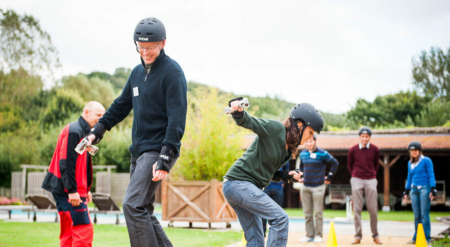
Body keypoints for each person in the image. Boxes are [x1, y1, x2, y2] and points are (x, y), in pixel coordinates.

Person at [86, 17, 187, 247]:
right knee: (144, 210)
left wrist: (165, 155)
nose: (145, 52)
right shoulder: (136, 74)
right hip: (139, 152)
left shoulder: (173, 73)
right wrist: (96, 131)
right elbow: (120, 105)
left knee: (132, 205)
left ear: (163, 43)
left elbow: (177, 118)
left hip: (158, 149)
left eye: (150, 47)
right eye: (140, 47)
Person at [223, 101, 324, 247]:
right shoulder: (276, 129)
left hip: (239, 186)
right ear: (300, 125)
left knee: (256, 241)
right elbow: (250, 122)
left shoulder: (288, 150)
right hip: (238, 184)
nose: (310, 138)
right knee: (280, 219)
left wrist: (285, 176)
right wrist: (238, 113)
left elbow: (269, 173)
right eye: (310, 132)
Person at [41, 101, 105, 247]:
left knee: (68, 234)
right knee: (83, 231)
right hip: (68, 191)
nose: (101, 119)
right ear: (86, 112)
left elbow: (79, 164)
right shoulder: (75, 130)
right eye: (98, 115)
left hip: (72, 190)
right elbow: (65, 163)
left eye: (103, 116)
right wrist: (72, 191)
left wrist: (85, 190)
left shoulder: (85, 134)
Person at [298, 133, 339, 243]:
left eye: (311, 141)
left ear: (315, 141)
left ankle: (318, 235)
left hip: (318, 186)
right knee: (307, 213)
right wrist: (301, 176)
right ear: (305, 142)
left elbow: (335, 163)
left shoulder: (323, 153)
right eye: (307, 141)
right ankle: (309, 235)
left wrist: (329, 176)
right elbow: (301, 167)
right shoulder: (302, 154)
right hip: (305, 187)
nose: (309, 143)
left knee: (318, 212)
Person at [347, 126, 382, 245]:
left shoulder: (375, 149)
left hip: (371, 179)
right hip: (356, 178)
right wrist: (355, 175)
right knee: (357, 208)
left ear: (369, 137)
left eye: (367, 136)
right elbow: (349, 165)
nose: (364, 138)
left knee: (373, 209)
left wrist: (371, 174)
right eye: (362, 136)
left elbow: (376, 164)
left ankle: (375, 235)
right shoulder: (353, 149)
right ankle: (357, 236)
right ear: (359, 137)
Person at [403, 141, 437, 244]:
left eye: (416, 150)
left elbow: (431, 174)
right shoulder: (410, 163)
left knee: (424, 214)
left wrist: (433, 189)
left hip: (424, 189)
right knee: (416, 215)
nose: (414, 152)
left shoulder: (426, 160)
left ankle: (427, 238)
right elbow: (409, 177)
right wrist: (406, 191)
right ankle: (416, 237)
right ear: (410, 151)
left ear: (419, 151)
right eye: (412, 150)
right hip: (414, 190)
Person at [261, 163, 290, 237]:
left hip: (278, 188)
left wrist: (283, 182)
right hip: (266, 187)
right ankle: (262, 233)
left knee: (278, 212)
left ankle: (275, 234)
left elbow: (286, 171)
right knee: (263, 211)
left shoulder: (285, 158)